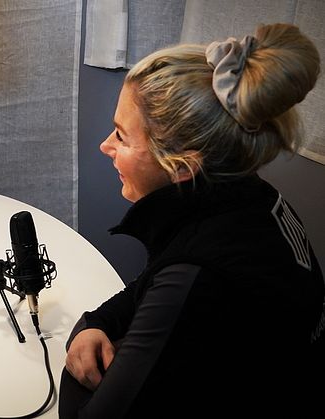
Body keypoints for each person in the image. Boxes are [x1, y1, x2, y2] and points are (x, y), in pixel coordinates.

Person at [60, 23, 323, 418]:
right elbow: (154, 282)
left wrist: (74, 370)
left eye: (121, 135)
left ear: (182, 166)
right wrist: (95, 323)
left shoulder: (199, 273)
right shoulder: (250, 198)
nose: (105, 146)